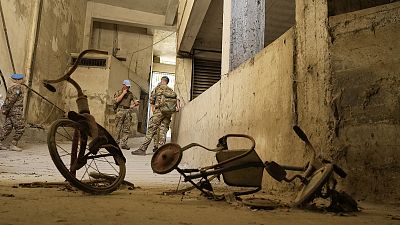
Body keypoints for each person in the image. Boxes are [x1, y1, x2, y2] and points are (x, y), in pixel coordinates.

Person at [132, 76, 178, 155]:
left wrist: (154, 107)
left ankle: (143, 149)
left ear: (161, 80)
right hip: (168, 113)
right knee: (163, 131)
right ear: (167, 82)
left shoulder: (158, 88)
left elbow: (152, 100)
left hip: (159, 111)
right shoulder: (171, 90)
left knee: (151, 130)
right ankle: (160, 151)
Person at [0, 73, 26, 151]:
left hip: (10, 111)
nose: (24, 80)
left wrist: (5, 109)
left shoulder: (11, 88)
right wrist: (5, 109)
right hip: (15, 111)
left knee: (7, 128)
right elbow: (11, 100)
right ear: (18, 80)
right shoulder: (18, 88)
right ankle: (13, 144)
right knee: (21, 128)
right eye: (22, 79)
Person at [113, 79, 139, 150]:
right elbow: (116, 100)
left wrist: (135, 104)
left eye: (129, 86)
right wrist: (123, 93)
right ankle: (116, 143)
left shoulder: (130, 94)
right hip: (120, 110)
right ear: (123, 85)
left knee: (126, 129)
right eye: (127, 86)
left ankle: (124, 144)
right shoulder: (118, 92)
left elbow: (136, 102)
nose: (128, 88)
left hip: (127, 111)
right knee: (118, 128)